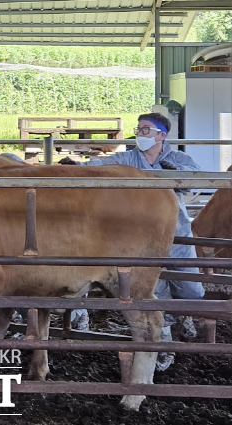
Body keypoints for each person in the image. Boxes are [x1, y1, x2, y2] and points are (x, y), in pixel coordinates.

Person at [59, 112, 204, 371]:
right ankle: (165, 343)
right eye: (138, 130)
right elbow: (102, 166)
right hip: (141, 237)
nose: (140, 134)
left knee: (191, 289)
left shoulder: (178, 159)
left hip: (177, 232)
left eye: (146, 130)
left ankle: (184, 313)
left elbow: (198, 181)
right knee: (153, 289)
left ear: (162, 135)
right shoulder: (128, 158)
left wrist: (178, 176)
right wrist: (76, 167)